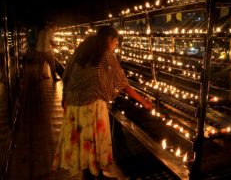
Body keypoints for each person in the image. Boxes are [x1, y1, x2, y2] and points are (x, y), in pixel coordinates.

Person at [52, 25, 154, 180]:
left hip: (73, 104)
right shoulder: (106, 54)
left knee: (84, 143)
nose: (115, 46)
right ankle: (95, 175)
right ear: (110, 39)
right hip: (92, 106)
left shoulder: (82, 50)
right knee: (95, 142)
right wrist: (143, 101)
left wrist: (66, 96)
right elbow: (122, 83)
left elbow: (67, 73)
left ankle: (93, 174)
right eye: (116, 42)